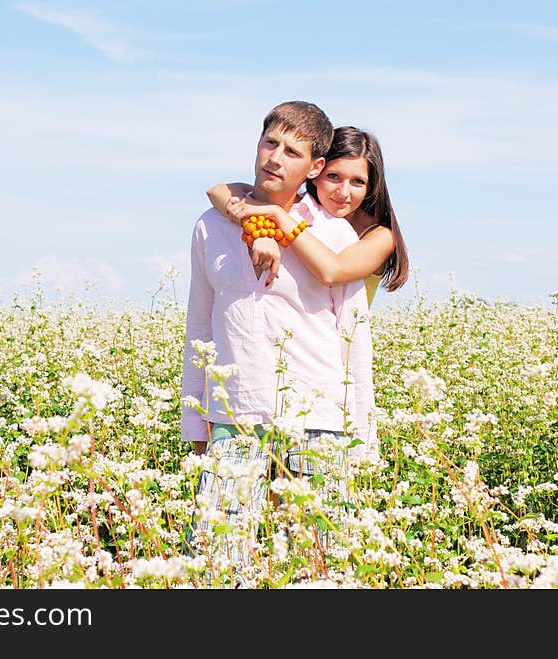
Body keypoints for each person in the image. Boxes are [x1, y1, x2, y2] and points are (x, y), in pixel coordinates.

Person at [181, 102, 376, 576]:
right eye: (270, 143)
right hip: (233, 411)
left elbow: (354, 336)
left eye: (292, 151)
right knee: (215, 560)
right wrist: (194, 422)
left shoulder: (332, 234)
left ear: (314, 168)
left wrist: (363, 431)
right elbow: (199, 326)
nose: (275, 158)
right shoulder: (212, 225)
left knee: (322, 562)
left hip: (319, 414)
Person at [206, 126, 409, 306]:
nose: (343, 192)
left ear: (370, 187)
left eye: (357, 182)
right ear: (315, 172)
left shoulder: (381, 236)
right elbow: (218, 191)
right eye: (333, 176)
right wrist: (257, 228)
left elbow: (332, 272)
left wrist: (276, 214)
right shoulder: (302, 211)